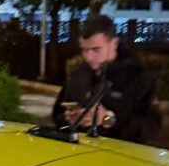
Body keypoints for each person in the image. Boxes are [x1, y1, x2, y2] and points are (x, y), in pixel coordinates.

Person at [52, 15, 162, 143]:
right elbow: (58, 114)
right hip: (80, 150)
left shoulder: (137, 76)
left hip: (119, 152)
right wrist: (69, 118)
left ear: (114, 43)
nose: (88, 57)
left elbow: (150, 126)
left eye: (96, 49)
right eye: (84, 50)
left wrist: (108, 119)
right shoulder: (78, 75)